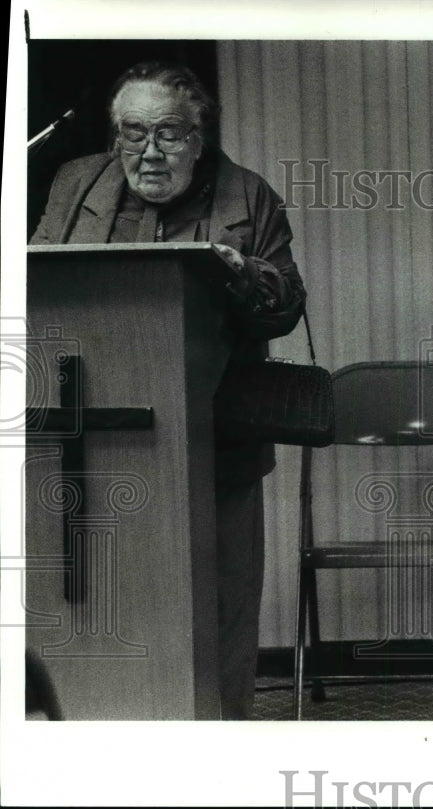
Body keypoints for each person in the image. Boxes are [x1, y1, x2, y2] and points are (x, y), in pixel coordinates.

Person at [30, 61, 307, 719]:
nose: (148, 152)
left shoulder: (249, 196)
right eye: (132, 133)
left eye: (168, 134)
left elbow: (286, 304)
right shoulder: (74, 182)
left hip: (213, 447)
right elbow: (34, 279)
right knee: (89, 609)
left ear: (200, 135)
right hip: (85, 450)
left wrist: (246, 273)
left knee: (217, 622)